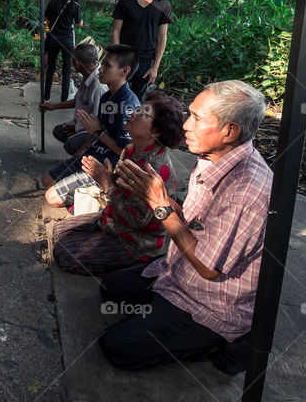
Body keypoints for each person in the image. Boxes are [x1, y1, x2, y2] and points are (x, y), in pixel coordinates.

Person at [97, 80, 271, 374]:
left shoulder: (247, 190)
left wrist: (160, 207)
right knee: (110, 289)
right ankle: (162, 311)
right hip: (177, 270)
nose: (186, 126)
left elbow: (208, 267)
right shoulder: (211, 156)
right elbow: (193, 220)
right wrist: (151, 196)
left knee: (117, 347)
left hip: (212, 298)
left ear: (230, 131)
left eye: (197, 118)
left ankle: (222, 343)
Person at [53, 94, 185, 276]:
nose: (134, 113)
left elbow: (136, 220)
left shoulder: (155, 168)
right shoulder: (131, 149)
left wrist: (107, 184)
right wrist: (107, 178)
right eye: (138, 108)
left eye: (143, 113)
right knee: (58, 231)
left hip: (135, 241)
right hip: (114, 219)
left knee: (62, 253)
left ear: (156, 132)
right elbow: (119, 191)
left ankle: (132, 265)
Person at [42, 44, 140, 208]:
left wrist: (97, 132)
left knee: (51, 198)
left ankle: (106, 197)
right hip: (93, 154)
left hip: (106, 166)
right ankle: (87, 194)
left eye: (107, 66)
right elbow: (96, 133)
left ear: (125, 71)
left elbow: (127, 153)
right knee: (47, 180)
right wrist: (83, 151)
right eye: (103, 64)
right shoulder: (107, 97)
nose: (100, 70)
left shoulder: (128, 105)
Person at [111, 0, 172, 101]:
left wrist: (155, 67)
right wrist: (116, 58)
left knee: (137, 101)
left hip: (145, 61)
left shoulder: (163, 5)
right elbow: (116, 31)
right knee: (116, 96)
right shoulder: (125, 3)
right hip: (124, 57)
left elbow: (162, 37)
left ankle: (131, 123)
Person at [39, 43, 107, 156]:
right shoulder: (88, 75)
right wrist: (53, 106)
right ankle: (81, 153)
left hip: (95, 132)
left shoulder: (99, 86)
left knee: (71, 145)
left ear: (77, 63)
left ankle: (86, 158)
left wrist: (82, 143)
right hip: (84, 126)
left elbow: (100, 126)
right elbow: (77, 101)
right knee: (59, 131)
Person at [43, 0, 83, 102]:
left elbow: (46, 21)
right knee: (66, 70)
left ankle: (46, 98)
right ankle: (64, 99)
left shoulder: (53, 2)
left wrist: (46, 32)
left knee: (50, 68)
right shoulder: (75, 5)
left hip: (53, 39)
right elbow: (79, 24)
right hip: (67, 41)